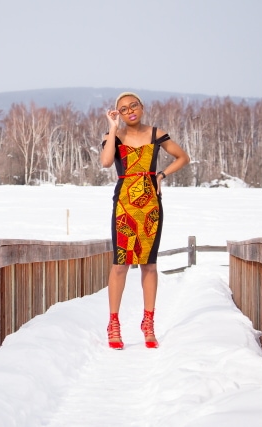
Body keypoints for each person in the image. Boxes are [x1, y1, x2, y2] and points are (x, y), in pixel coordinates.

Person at [100, 92, 190, 349]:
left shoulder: (155, 134)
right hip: (124, 205)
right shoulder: (114, 136)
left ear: (142, 107)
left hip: (151, 204)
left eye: (133, 106)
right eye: (123, 108)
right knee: (121, 264)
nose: (130, 111)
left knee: (149, 264)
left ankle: (148, 323)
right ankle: (113, 324)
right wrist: (112, 128)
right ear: (118, 113)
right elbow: (106, 162)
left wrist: (161, 175)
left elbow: (183, 157)